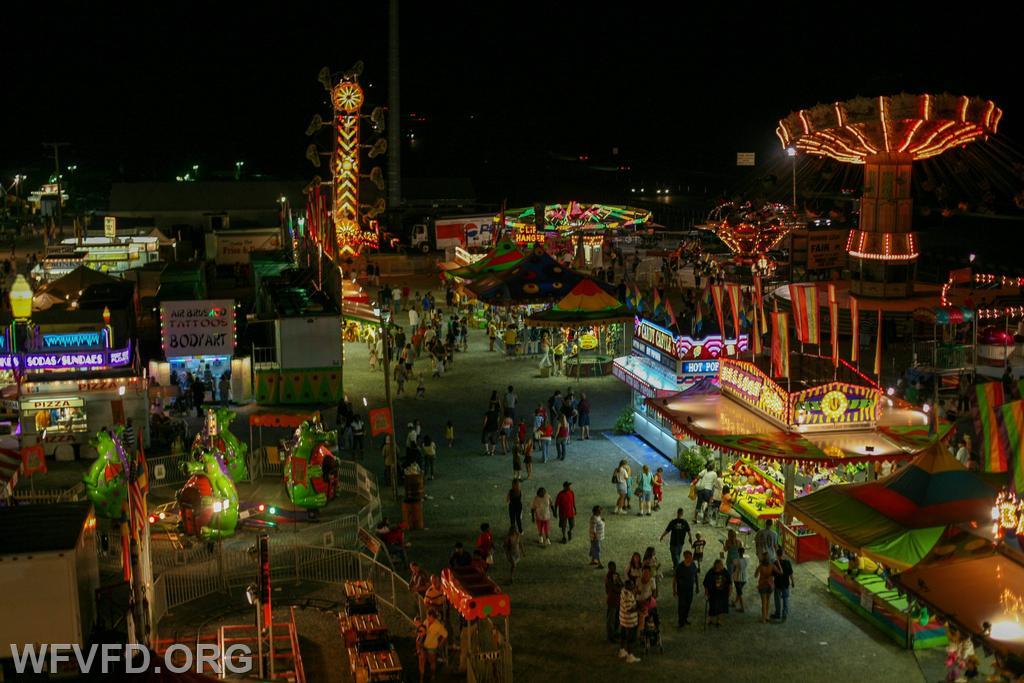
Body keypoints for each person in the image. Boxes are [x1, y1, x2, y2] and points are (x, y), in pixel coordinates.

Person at [702, 558, 732, 627]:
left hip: (723, 594)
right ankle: (709, 619)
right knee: (712, 607)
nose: (720, 566)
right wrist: (706, 592)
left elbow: (729, 582)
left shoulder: (725, 571)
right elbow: (706, 582)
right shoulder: (711, 572)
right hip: (713, 593)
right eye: (718, 565)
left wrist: (730, 591)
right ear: (715, 565)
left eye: (721, 565)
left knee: (721, 607)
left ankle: (719, 620)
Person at [617, 579, 642, 663]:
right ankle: (630, 656)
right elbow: (629, 609)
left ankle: (622, 651)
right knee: (630, 638)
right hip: (630, 621)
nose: (633, 586)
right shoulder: (628, 596)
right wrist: (638, 607)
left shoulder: (623, 591)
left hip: (623, 619)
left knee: (623, 635)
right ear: (628, 586)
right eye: (632, 585)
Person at [673, 550, 699, 627]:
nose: (691, 559)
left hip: (690, 589)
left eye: (691, 557)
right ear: (685, 557)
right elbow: (675, 580)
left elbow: (695, 575)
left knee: (688, 604)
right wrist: (674, 590)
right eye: (689, 557)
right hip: (682, 590)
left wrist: (697, 586)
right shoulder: (680, 567)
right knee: (681, 606)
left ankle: (685, 618)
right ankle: (681, 621)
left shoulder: (693, 565)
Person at [422, 608, 448, 680]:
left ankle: (433, 675)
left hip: (432, 647)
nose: (427, 618)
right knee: (426, 660)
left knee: (432, 661)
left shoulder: (438, 626)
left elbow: (445, 634)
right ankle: (427, 673)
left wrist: (440, 644)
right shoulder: (426, 622)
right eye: (427, 617)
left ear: (432, 617)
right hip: (424, 645)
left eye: (428, 617)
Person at [771, 545, 795, 621]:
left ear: (777, 555)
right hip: (786, 583)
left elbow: (772, 575)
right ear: (782, 554)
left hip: (778, 584)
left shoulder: (775, 563)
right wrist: (793, 581)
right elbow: (791, 573)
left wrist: (771, 584)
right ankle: (784, 614)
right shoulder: (788, 562)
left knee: (777, 600)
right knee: (785, 599)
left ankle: (778, 614)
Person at [605, 562, 623, 642]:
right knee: (611, 619)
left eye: (614, 567)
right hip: (612, 600)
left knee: (617, 618)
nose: (614, 569)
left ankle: (615, 632)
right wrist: (619, 589)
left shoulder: (616, 575)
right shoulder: (608, 577)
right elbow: (613, 588)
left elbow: (621, 584)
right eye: (612, 567)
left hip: (618, 600)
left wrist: (619, 584)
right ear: (609, 568)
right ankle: (610, 636)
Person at [754, 553, 775, 623]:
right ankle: (766, 616)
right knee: (768, 601)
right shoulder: (772, 565)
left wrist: (757, 569)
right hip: (770, 585)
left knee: (763, 603)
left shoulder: (760, 566)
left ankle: (763, 619)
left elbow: (755, 575)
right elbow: (778, 572)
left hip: (763, 585)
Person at [730, 546, 749, 613]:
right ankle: (735, 603)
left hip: (737, 578)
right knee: (739, 591)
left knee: (739, 592)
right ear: (743, 552)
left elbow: (734, 568)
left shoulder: (736, 560)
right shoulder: (746, 560)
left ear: (738, 552)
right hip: (744, 578)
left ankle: (742, 607)